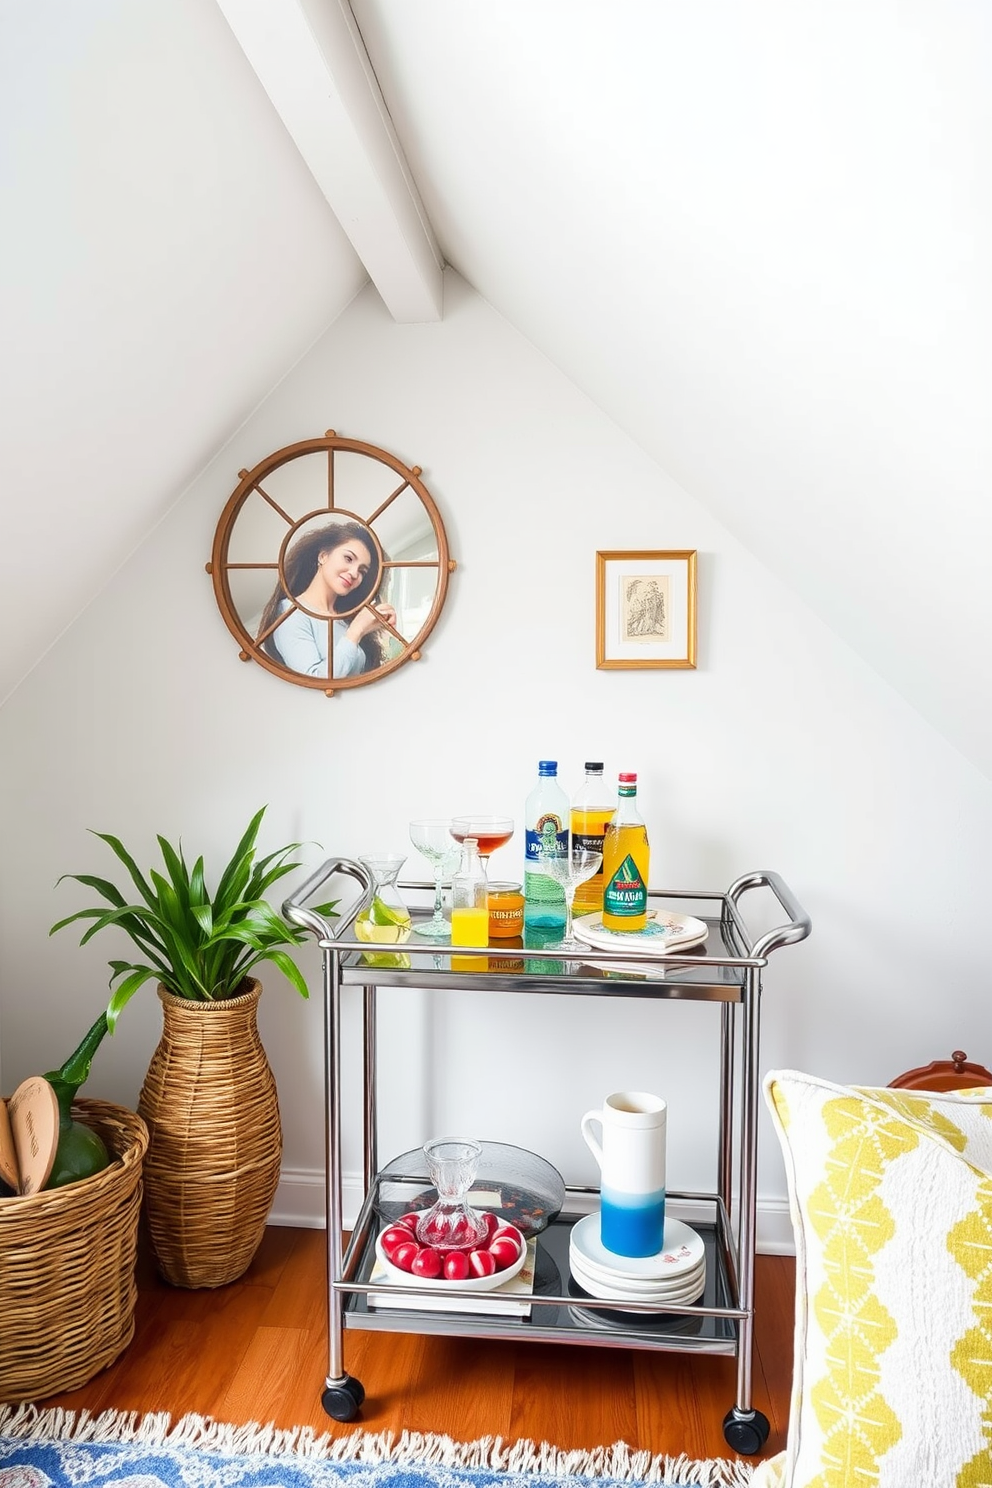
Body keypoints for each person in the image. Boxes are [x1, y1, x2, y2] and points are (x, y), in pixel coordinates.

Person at [256, 521, 397, 678]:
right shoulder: (290, 612)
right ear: (323, 556)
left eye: (362, 571)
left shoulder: (346, 618)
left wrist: (371, 629)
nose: (354, 573)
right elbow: (316, 680)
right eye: (348, 559)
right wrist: (356, 631)